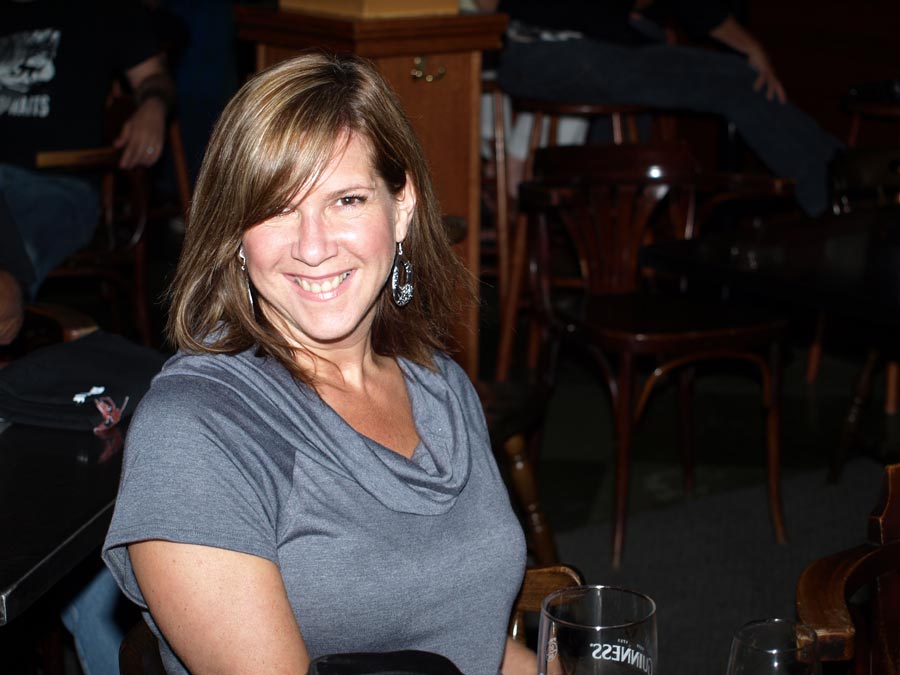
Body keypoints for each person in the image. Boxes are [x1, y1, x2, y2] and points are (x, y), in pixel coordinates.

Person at [102, 52, 531, 674]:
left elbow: (476, 644)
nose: (312, 246)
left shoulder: (439, 385)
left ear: (401, 206)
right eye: (277, 208)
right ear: (235, 234)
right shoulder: (196, 431)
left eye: (346, 200)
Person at [480, 0, 843, 217]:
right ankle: (834, 187)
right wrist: (750, 46)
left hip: (518, 54)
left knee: (639, 82)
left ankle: (609, 238)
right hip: (570, 55)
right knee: (738, 79)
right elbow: (694, 8)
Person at [0, 0, 176, 298]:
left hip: (55, 186)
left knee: (7, 268)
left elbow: (153, 76)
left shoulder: (104, 8)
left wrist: (153, 105)